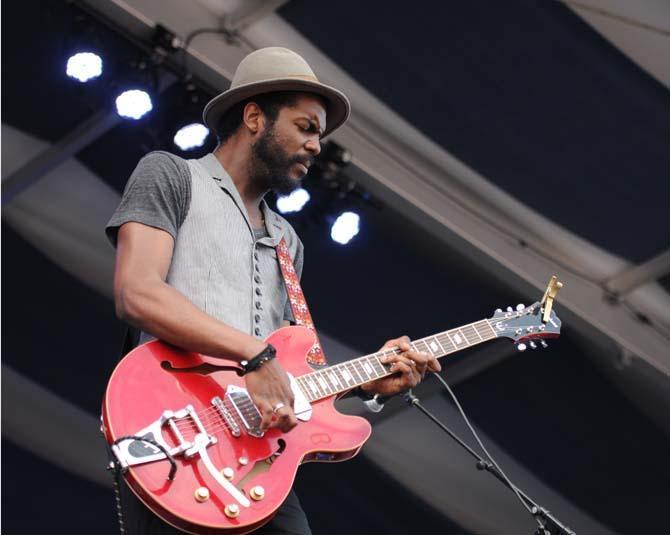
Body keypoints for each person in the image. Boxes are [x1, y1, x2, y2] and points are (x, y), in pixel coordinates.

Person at [106, 47, 441, 534]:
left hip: (255, 455)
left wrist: (366, 383)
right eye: (306, 127)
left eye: (319, 136)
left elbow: (288, 366)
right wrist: (255, 356)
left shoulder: (289, 242)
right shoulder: (172, 174)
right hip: (173, 434)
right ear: (254, 117)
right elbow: (137, 293)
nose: (316, 146)